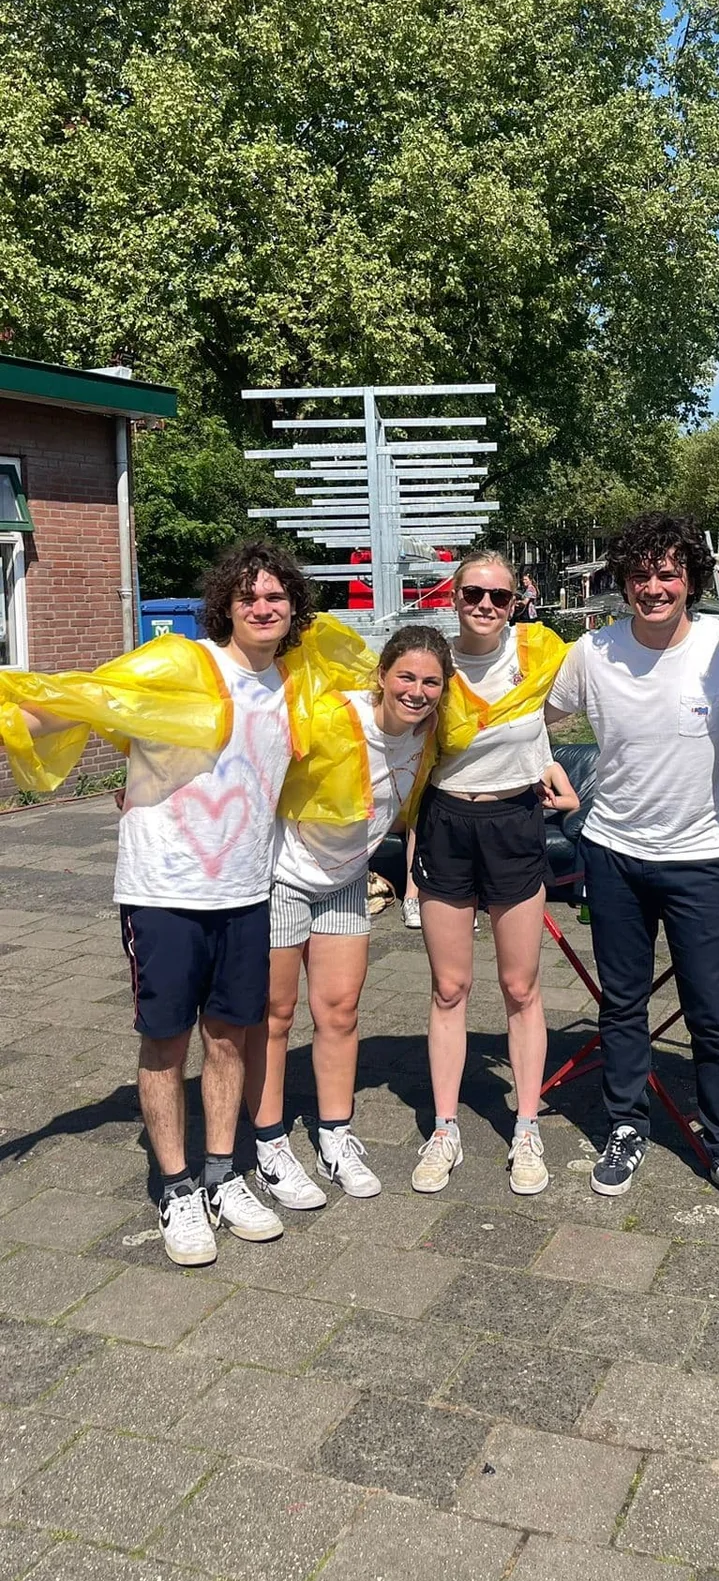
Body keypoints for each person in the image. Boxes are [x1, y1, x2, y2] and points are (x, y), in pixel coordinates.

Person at [17, 541, 315, 1267]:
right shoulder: (182, 666)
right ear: (225, 604)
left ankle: (222, 1172)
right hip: (164, 892)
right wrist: (22, 717)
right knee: (164, 1042)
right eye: (249, 596)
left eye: (276, 596)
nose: (263, 606)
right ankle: (176, 1187)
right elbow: (64, 706)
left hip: (246, 890)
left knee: (229, 1036)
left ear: (294, 608)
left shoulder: (294, 688)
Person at [545, 512, 719, 1214]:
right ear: (623, 582)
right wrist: (542, 768)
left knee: (711, 1009)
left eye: (669, 573)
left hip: (702, 857)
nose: (654, 586)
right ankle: (624, 1125)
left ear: (692, 580)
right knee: (622, 1004)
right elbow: (530, 718)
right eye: (640, 574)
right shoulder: (591, 652)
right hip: (612, 853)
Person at [246, 626, 452, 1210]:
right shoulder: (333, 714)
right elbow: (246, 741)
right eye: (406, 677)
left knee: (338, 1010)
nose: (416, 691)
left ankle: (335, 1134)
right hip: (282, 877)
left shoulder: (430, 734)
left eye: (430, 681)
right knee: (274, 1014)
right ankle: (270, 1142)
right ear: (382, 675)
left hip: (346, 884)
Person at [410, 550, 577, 1197]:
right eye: (474, 593)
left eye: (499, 597)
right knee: (449, 987)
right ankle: (445, 1127)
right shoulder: (430, 662)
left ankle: (527, 1127)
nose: (485, 605)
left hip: (514, 824)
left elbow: (547, 709)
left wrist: (547, 762)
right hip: (448, 826)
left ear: (518, 602)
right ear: (453, 597)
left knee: (520, 986)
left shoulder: (539, 653)